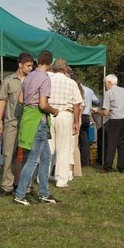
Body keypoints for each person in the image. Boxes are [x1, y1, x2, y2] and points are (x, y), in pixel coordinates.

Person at [13, 51, 60, 205]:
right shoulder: (44, 78)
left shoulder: (29, 77)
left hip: (28, 118)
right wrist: (54, 111)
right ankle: (20, 194)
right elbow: (43, 104)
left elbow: (20, 99)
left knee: (46, 157)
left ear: (37, 61)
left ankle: (44, 193)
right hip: (38, 121)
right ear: (50, 63)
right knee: (33, 160)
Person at [0, 52, 34, 196]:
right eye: (28, 65)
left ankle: (27, 186)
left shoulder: (32, 80)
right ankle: (7, 186)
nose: (31, 68)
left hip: (27, 123)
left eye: (32, 65)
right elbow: (2, 101)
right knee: (8, 154)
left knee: (27, 156)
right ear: (20, 64)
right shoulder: (8, 80)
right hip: (11, 123)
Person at [47, 59, 82, 188]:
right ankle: (61, 179)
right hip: (65, 115)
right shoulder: (71, 82)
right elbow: (77, 103)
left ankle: (43, 177)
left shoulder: (47, 81)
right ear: (65, 68)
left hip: (49, 113)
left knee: (48, 148)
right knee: (64, 148)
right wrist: (76, 121)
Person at [99, 74, 124, 173]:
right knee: (123, 144)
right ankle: (122, 167)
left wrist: (97, 111)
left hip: (116, 120)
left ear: (109, 82)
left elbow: (106, 112)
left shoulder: (109, 93)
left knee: (111, 144)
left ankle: (107, 167)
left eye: (105, 83)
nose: (105, 85)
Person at [79, 82, 100, 167]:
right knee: (85, 140)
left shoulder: (75, 88)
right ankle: (85, 161)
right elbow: (97, 101)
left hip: (78, 114)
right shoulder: (89, 90)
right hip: (86, 116)